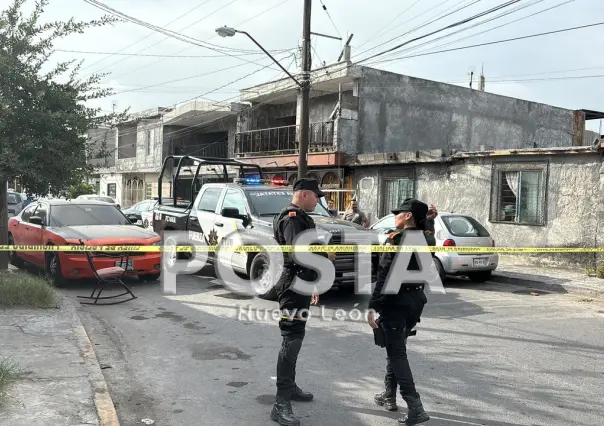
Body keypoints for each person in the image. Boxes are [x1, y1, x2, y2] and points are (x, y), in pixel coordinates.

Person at [270, 178, 336, 426]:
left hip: (300, 284)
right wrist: (324, 254)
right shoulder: (292, 218)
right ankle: (280, 403)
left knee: (296, 337)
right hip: (292, 285)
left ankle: (291, 387)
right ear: (304, 194)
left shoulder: (297, 217)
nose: (319, 200)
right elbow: (298, 252)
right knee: (291, 339)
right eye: (316, 196)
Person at [367, 198, 433, 425]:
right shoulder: (426, 237)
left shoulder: (395, 239)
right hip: (416, 300)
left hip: (397, 301)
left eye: (400, 212)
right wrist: (429, 220)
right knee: (396, 346)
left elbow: (385, 276)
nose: (395, 215)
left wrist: (373, 306)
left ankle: (415, 407)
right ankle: (388, 395)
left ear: (408, 216)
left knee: (397, 354)